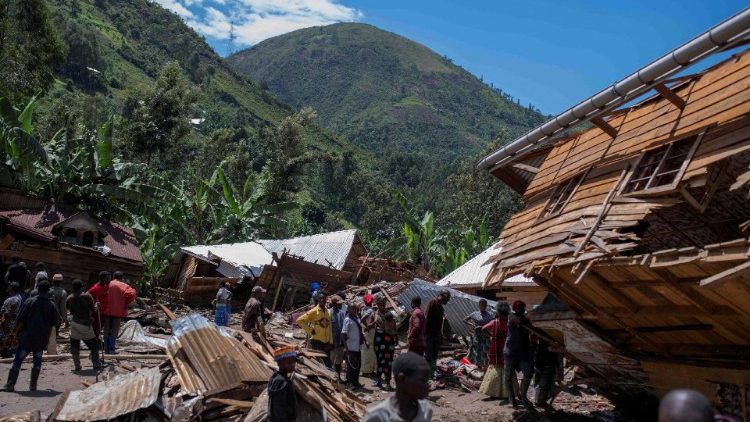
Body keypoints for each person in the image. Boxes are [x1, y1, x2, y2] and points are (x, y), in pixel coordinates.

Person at [1, 280, 61, 392]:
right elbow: (57, 322)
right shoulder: (51, 305)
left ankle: (10, 385)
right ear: (48, 291)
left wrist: (17, 333)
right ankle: (33, 386)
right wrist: (50, 335)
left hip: (26, 338)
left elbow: (19, 319)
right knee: (37, 361)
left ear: (37, 289)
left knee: (18, 360)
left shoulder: (30, 302)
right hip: (41, 339)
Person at [363, 352, 432, 422]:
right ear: (401, 379)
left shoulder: (425, 410)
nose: (427, 385)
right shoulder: (378, 416)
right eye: (422, 379)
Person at [88, 271, 137, 354]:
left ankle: (106, 348)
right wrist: (126, 303)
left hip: (106, 311)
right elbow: (131, 294)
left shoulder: (106, 284)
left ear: (113, 277)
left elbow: (92, 293)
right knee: (114, 330)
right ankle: (112, 348)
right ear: (122, 278)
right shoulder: (124, 285)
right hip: (118, 311)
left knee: (106, 329)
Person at [66, 279, 102, 371]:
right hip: (85, 324)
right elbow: (93, 309)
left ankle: (77, 366)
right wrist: (97, 305)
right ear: (81, 287)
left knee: (75, 345)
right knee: (94, 346)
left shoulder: (69, 297)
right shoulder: (87, 296)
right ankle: (96, 364)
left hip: (74, 324)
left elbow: (69, 309)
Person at [479, 301, 511, 402]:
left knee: (495, 369)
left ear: (498, 312)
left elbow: (483, 329)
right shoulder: (510, 323)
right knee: (507, 370)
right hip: (508, 349)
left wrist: (491, 335)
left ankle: (493, 393)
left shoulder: (495, 322)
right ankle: (508, 393)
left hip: (495, 349)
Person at [504, 300, 533, 407]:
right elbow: (520, 321)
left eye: (522, 307)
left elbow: (531, 327)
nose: (521, 309)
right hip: (510, 351)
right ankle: (512, 399)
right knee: (508, 376)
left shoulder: (526, 319)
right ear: (515, 308)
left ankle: (523, 395)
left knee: (528, 374)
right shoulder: (511, 316)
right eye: (519, 308)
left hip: (523, 351)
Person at [368, 294, 397, 390]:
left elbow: (394, 328)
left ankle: (388, 383)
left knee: (388, 362)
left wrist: (395, 338)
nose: (382, 306)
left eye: (383, 304)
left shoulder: (389, 314)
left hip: (388, 341)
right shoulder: (375, 313)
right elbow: (370, 325)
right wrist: (373, 323)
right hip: (379, 340)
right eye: (380, 304)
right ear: (377, 304)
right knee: (380, 361)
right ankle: (379, 381)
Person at [296, 291, 332, 361]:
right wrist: (309, 330)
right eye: (320, 298)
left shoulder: (328, 312)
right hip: (316, 341)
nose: (322, 300)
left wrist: (331, 342)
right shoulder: (314, 311)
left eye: (324, 298)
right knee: (317, 362)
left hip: (326, 343)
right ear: (318, 299)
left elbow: (330, 327)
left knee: (327, 363)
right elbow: (299, 320)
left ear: (326, 299)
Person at [267, 345, 298, 422]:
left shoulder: (280, 378)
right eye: (289, 362)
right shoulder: (280, 381)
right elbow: (279, 408)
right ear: (279, 364)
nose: (292, 364)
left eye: (294, 361)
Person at [424, 291, 450, 377]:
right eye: (447, 298)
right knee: (428, 354)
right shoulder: (432, 303)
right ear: (441, 296)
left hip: (436, 334)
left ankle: (432, 371)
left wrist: (440, 335)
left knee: (434, 354)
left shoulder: (441, 307)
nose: (447, 300)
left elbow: (440, 323)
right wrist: (425, 333)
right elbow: (426, 318)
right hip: (429, 334)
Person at [532, 336, 563, 409]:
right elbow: (551, 350)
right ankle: (540, 402)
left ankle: (539, 401)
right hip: (546, 365)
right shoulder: (545, 344)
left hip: (542, 364)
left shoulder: (540, 343)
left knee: (541, 385)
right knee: (543, 385)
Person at [341, 302, 365, 388]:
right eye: (352, 308)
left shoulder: (356, 318)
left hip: (357, 347)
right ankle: (350, 384)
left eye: (355, 309)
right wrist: (346, 348)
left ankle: (355, 382)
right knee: (351, 367)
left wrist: (365, 341)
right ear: (348, 309)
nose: (354, 310)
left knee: (357, 366)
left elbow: (360, 332)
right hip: (351, 347)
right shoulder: (347, 320)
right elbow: (343, 334)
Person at [464, 299, 494, 369]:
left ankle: (485, 367)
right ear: (479, 306)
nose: (483, 307)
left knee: (485, 352)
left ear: (486, 306)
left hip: (486, 336)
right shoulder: (474, 314)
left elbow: (492, 325)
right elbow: (465, 319)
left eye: (484, 306)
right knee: (476, 352)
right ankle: (477, 366)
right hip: (477, 336)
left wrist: (482, 327)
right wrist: (472, 325)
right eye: (481, 305)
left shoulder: (489, 316)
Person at [0, 282, 23, 358]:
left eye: (9, 286)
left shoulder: (13, 299)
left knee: (5, 336)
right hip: (12, 320)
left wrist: (5, 322)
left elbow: (10, 312)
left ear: (12, 288)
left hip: (8, 320)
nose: (8, 287)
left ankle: (5, 352)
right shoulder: (18, 297)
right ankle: (7, 351)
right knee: (10, 336)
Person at [46, 273, 68, 354]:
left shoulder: (48, 290)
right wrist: (65, 319)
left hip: (47, 314)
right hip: (56, 315)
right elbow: (63, 308)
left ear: (53, 281)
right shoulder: (63, 292)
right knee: (54, 333)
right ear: (61, 281)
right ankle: (51, 348)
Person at [329, 295, 348, 381]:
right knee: (331, 361)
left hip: (340, 342)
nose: (341, 305)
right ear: (334, 304)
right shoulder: (329, 313)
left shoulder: (341, 313)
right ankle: (330, 378)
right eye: (339, 304)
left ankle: (338, 377)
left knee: (339, 361)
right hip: (332, 342)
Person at [360, 293, 377, 375]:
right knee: (369, 351)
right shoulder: (370, 310)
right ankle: (368, 371)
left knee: (365, 351)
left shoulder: (363, 309)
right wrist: (369, 326)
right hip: (369, 333)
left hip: (365, 332)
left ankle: (365, 370)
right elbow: (362, 319)